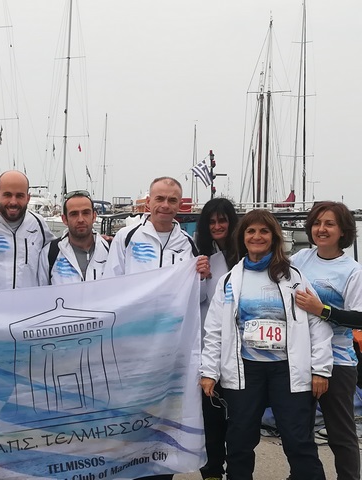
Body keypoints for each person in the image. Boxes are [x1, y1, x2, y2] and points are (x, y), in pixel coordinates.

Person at [200, 209, 333, 480]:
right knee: (239, 440)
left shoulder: (294, 278)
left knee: (298, 440)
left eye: (264, 231)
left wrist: (321, 369)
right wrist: (209, 372)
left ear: (274, 237)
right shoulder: (229, 281)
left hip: (287, 370)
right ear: (242, 237)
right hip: (245, 371)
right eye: (251, 231)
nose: (257, 236)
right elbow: (214, 331)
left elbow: (317, 325)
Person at [104, 176, 209, 480]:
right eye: (159, 199)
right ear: (148, 202)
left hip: (171, 349)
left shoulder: (188, 244)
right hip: (133, 348)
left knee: (166, 416)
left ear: (180, 205)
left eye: (172, 200)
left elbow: (198, 298)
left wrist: (203, 277)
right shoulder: (127, 237)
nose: (165, 205)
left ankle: (162, 471)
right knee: (132, 415)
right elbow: (110, 287)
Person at [291, 201, 362, 480]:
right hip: (300, 357)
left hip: (338, 363)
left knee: (340, 434)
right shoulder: (300, 258)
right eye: (317, 223)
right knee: (298, 431)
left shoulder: (353, 270)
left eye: (329, 224)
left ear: (343, 230)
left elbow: (359, 318)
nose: (321, 229)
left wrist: (322, 310)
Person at [195, 198, 239, 480]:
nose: (217, 226)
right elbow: (199, 301)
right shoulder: (205, 259)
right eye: (211, 222)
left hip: (241, 356)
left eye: (222, 220)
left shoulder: (247, 259)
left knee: (239, 424)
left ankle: (237, 472)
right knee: (210, 420)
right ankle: (212, 472)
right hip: (210, 353)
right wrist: (201, 277)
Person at [0, 170, 54, 290]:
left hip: (29, 301)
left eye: (20, 196)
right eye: (7, 195)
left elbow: (57, 253)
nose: (13, 202)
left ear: (28, 198)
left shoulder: (38, 223)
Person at [38, 189, 109, 285]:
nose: (80, 219)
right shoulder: (50, 253)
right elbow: (41, 291)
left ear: (94, 216)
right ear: (64, 219)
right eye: (74, 214)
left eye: (86, 213)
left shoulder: (110, 250)